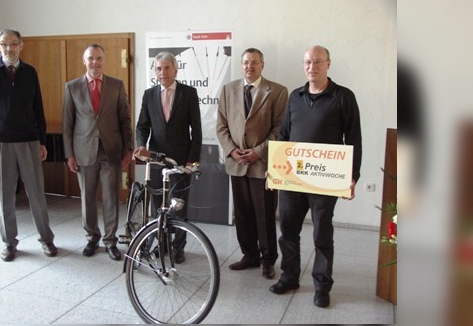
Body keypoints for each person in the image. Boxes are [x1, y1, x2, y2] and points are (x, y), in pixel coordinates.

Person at [269, 45, 362, 308]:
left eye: (318, 62)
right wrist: (273, 169)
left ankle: (322, 285)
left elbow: (353, 139)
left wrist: (352, 175)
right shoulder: (296, 97)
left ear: (328, 64)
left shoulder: (343, 97)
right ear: (304, 65)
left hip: (325, 180)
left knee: (322, 234)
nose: (313, 67)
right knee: (287, 230)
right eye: (308, 62)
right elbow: (284, 136)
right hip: (292, 178)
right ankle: (289, 277)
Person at [0, 29, 57, 262]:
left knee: (37, 195)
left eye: (13, 44)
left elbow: (37, 109)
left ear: (21, 45)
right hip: (0, 143)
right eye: (4, 44)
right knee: (5, 197)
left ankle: (47, 239)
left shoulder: (30, 72)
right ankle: (9, 243)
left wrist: (42, 140)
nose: (9, 49)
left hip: (29, 142)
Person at [216, 48, 288, 279]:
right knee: (243, 213)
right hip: (237, 163)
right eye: (246, 63)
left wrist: (258, 152)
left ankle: (268, 260)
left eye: (254, 63)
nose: (250, 66)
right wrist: (232, 151)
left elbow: (281, 129)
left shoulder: (277, 91)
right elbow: (221, 126)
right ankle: (249, 256)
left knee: (264, 214)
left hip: (263, 164)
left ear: (262, 65)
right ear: (241, 65)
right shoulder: (228, 89)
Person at [62, 44, 133, 261]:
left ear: (104, 60)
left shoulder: (117, 85)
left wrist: (128, 149)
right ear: (84, 61)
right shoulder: (72, 87)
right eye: (91, 58)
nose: (95, 62)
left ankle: (110, 241)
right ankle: (92, 237)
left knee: (111, 198)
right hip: (84, 152)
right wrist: (69, 154)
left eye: (99, 58)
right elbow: (67, 123)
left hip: (111, 150)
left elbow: (125, 119)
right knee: (88, 198)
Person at [135, 51, 202, 264]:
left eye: (166, 68)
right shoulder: (149, 94)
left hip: (180, 161)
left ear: (175, 69)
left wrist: (192, 160)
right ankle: (162, 244)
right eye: (158, 68)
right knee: (158, 207)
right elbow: (142, 126)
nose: (162, 72)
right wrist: (140, 145)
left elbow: (197, 130)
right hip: (156, 162)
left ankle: (178, 247)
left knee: (178, 206)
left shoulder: (188, 93)